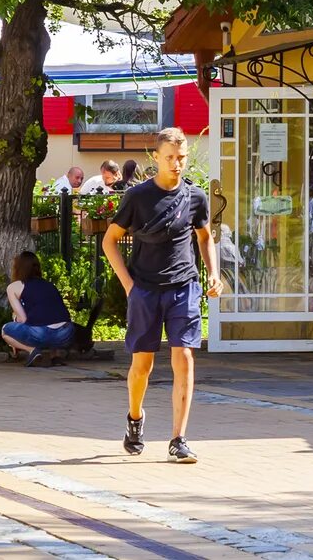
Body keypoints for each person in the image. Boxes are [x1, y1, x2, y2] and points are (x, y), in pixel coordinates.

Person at [102, 127, 221, 465]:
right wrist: (128, 285)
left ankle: (178, 439)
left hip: (183, 286)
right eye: (170, 157)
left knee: (184, 356)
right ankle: (135, 418)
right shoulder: (138, 197)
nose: (177, 163)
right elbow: (109, 241)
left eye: (181, 157)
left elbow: (204, 237)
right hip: (145, 289)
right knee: (143, 364)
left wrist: (212, 272)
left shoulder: (195, 197)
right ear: (156, 157)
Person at [2, 251, 75, 366]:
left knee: (6, 330)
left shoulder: (14, 287)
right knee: (49, 318)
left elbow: (23, 319)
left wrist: (15, 319)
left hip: (42, 334)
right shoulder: (49, 285)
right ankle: (55, 355)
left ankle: (33, 351)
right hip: (66, 332)